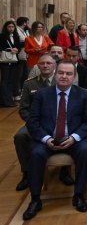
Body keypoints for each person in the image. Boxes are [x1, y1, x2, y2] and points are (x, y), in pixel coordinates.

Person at [22, 61, 87, 220]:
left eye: (68, 74)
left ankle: (79, 195)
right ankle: (35, 199)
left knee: (85, 150)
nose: (64, 76)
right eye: (61, 73)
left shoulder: (84, 94)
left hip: (73, 139)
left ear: (74, 77)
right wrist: (46, 139)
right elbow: (32, 121)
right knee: (35, 153)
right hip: (48, 139)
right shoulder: (42, 94)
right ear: (55, 74)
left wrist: (74, 138)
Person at [13, 53, 64, 192]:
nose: (45, 66)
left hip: (58, 122)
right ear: (38, 66)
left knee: (66, 132)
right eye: (42, 63)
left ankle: (64, 171)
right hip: (35, 123)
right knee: (21, 136)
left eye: (49, 63)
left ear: (54, 66)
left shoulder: (62, 80)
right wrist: (34, 124)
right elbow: (24, 109)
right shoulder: (30, 83)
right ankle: (27, 173)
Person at [0, 20, 21, 107]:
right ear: (6, 27)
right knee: (5, 81)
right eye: (9, 27)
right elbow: (1, 47)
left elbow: (18, 46)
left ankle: (9, 100)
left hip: (14, 61)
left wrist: (17, 50)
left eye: (12, 27)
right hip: (5, 61)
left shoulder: (16, 36)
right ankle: (5, 101)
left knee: (11, 81)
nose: (11, 28)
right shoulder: (2, 36)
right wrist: (10, 50)